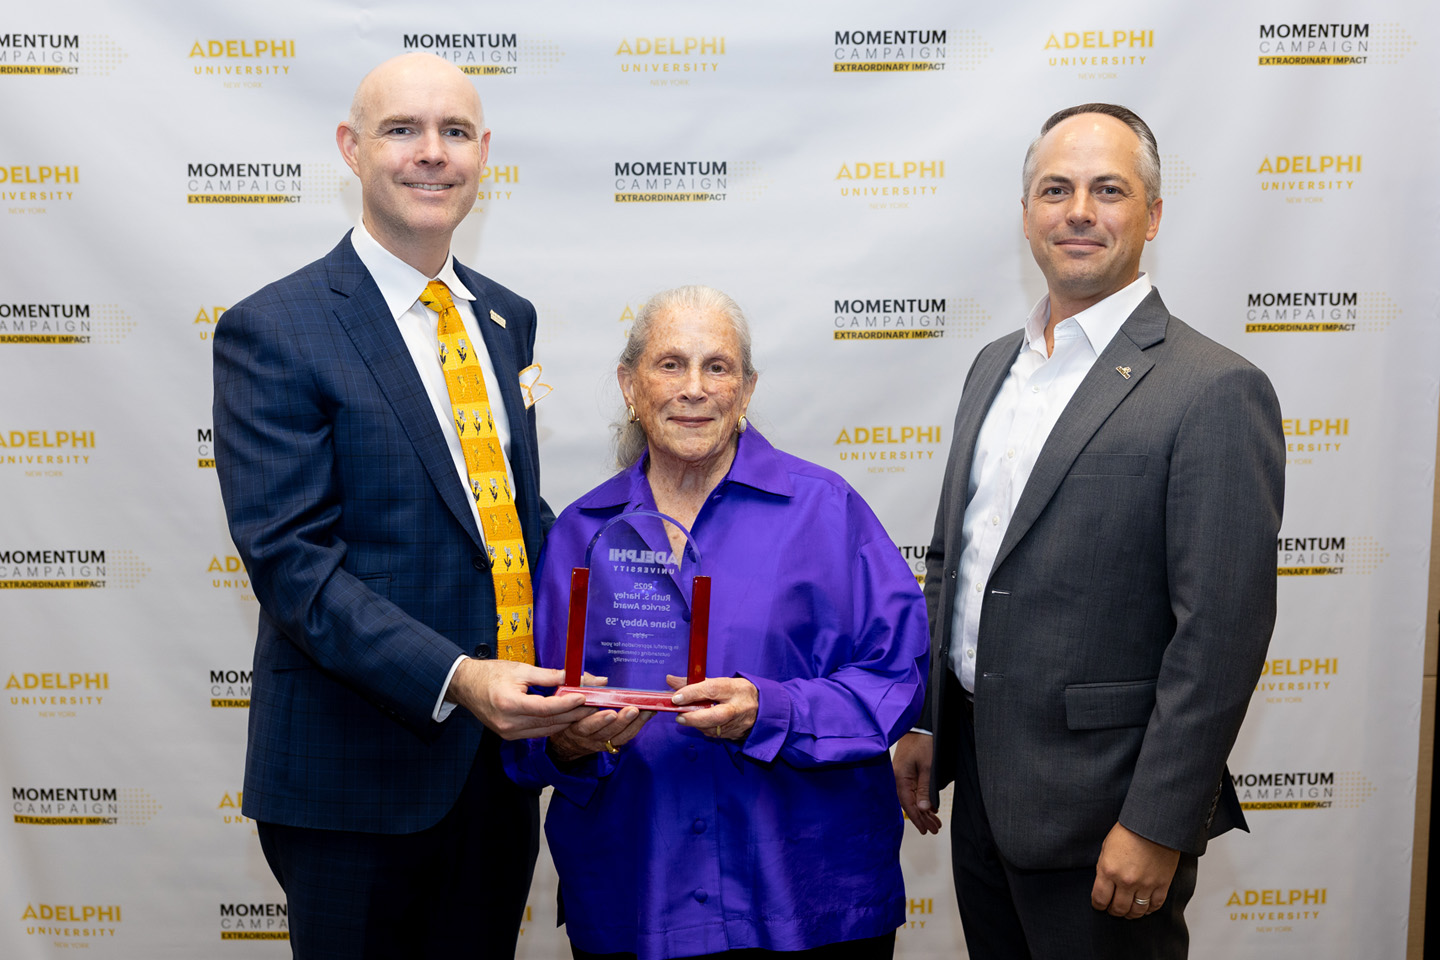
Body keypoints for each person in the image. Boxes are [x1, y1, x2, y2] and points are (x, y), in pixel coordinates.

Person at [212, 52, 589, 958]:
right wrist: (461, 678)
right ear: (351, 148)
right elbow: (296, 569)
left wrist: (601, 649)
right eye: (402, 130)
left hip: (497, 779)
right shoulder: (276, 328)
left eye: (455, 132)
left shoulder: (507, 317)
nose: (433, 154)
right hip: (354, 782)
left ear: (484, 153)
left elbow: (509, 520)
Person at [891, 103, 1285, 959]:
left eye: (1108, 189)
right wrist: (926, 723)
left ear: (1152, 213)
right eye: (1055, 189)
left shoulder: (1214, 389)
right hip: (986, 797)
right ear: (1026, 211)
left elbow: (1221, 633)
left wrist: (1158, 822)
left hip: (1110, 816)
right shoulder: (991, 364)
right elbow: (956, 566)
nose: (1078, 210)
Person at [505, 285, 930, 960]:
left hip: (808, 900)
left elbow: (897, 679)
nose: (694, 388)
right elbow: (528, 720)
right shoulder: (580, 535)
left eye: (718, 367)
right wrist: (570, 744)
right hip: (636, 896)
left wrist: (772, 709)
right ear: (629, 385)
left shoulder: (827, 510)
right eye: (670, 364)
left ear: (748, 388)